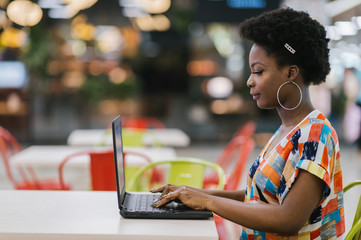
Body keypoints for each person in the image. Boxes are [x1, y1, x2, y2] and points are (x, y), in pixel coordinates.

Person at [151, 7, 345, 239]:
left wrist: (208, 201)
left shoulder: (316, 134)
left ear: (291, 73)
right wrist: (194, 193)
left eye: (259, 72)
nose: (249, 81)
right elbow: (258, 197)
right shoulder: (289, 129)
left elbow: (288, 219)